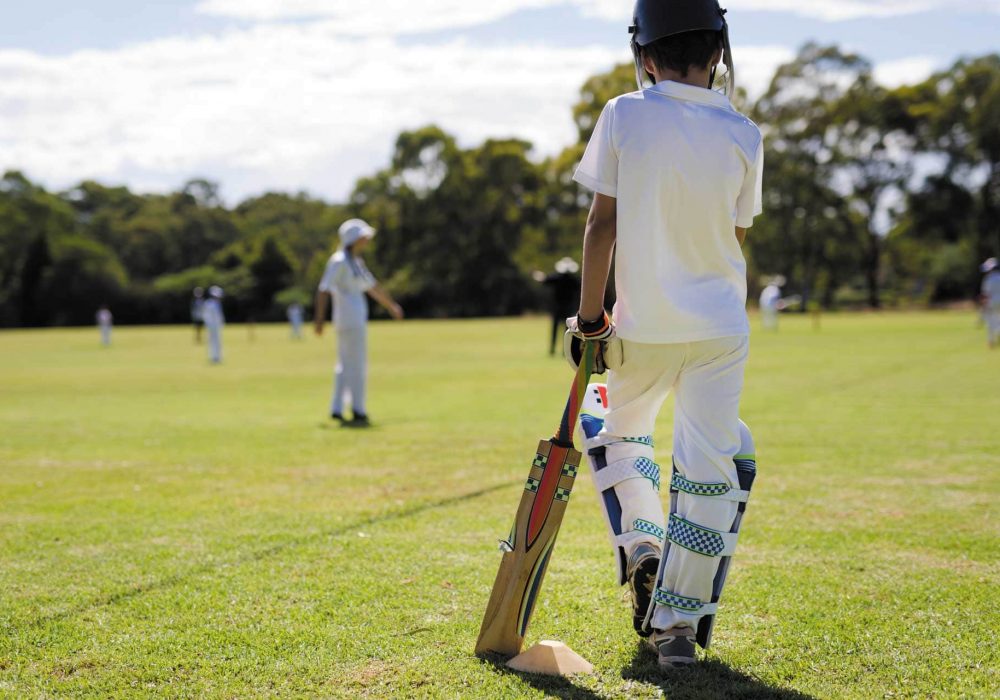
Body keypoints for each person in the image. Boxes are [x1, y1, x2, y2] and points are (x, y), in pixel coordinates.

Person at [568, 0, 762, 669]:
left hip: (640, 327)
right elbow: (734, 238)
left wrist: (591, 319)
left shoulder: (626, 112)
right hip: (720, 329)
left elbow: (601, 226)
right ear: (718, 52)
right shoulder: (744, 132)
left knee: (611, 428)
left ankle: (643, 544)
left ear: (643, 54)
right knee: (709, 466)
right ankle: (676, 632)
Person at [314, 219, 403, 426]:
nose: (366, 242)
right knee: (356, 365)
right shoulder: (339, 261)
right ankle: (358, 409)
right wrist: (319, 319)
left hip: (354, 319)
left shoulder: (356, 262)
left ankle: (337, 408)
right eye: (363, 238)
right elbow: (324, 288)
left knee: (345, 364)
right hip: (348, 320)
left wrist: (391, 306)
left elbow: (372, 287)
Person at [534, 258, 582, 355]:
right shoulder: (574, 279)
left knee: (555, 329)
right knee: (567, 330)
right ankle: (565, 350)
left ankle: (552, 349)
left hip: (556, 307)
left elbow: (544, 280)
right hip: (569, 307)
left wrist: (536, 274)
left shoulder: (556, 277)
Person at [203, 286, 225, 364]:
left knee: (218, 342)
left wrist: (221, 323)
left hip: (217, 326)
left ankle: (218, 357)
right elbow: (206, 316)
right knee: (212, 342)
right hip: (212, 326)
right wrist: (209, 325)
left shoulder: (217, 303)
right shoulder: (209, 303)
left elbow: (220, 316)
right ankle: (214, 357)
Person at [981, 257, 1000, 348]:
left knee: (991, 321)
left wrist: (984, 306)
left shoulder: (988, 279)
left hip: (992, 302)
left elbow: (986, 294)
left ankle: (991, 341)